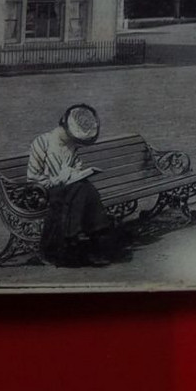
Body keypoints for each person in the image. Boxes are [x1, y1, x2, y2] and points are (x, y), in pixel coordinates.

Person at [26, 104, 122, 268]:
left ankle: (75, 240)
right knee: (83, 190)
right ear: (62, 128)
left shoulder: (71, 146)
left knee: (84, 188)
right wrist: (58, 180)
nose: (72, 141)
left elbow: (77, 167)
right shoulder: (41, 143)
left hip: (70, 189)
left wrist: (75, 174)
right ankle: (90, 240)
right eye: (68, 135)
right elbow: (33, 179)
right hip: (44, 192)